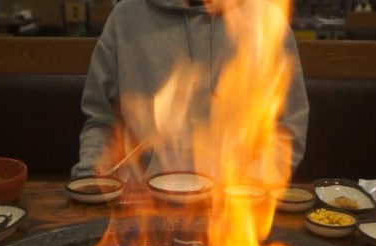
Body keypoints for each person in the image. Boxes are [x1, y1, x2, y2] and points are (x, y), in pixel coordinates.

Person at [71, 0, 309, 182]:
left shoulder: (265, 19)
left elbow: (287, 128)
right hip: (141, 207)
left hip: (236, 211)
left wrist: (251, 189)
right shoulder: (126, 17)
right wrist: (91, 174)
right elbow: (101, 122)